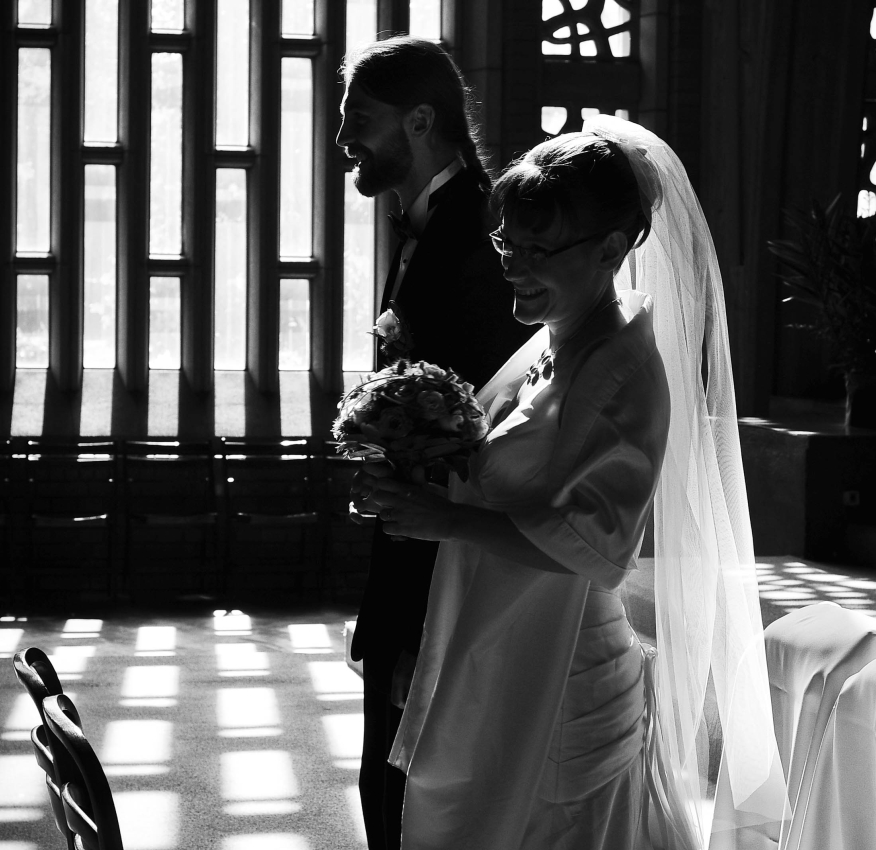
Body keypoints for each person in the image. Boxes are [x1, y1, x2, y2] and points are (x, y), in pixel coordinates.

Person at [356, 116, 790, 849]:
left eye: (538, 250)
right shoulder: (552, 342)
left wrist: (447, 519)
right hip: (506, 643)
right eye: (508, 244)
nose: (513, 267)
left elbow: (598, 546)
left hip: (565, 675)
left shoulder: (624, 370)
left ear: (611, 249)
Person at [336, 35, 533, 850]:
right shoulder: (420, 225)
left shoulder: (482, 232)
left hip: (447, 554)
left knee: (411, 778)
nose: (344, 138)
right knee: (382, 769)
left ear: (419, 122)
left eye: (360, 119)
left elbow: (490, 411)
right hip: (407, 538)